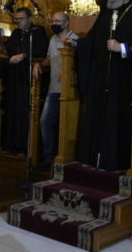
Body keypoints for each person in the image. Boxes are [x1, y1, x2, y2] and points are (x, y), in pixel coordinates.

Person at [65, 0, 132, 171]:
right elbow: (92, 40)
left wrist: (122, 48)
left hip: (123, 77)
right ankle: (93, 157)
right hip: (100, 77)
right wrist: (77, 44)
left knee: (116, 118)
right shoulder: (105, 13)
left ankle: (115, 161)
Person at [33, 12, 78, 168]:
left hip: (69, 91)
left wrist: (68, 69)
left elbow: (81, 62)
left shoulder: (74, 39)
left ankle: (66, 159)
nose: (54, 24)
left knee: (66, 126)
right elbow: (49, 60)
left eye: (57, 21)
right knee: (45, 121)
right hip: (53, 89)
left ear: (66, 22)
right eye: (52, 21)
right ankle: (49, 159)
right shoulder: (53, 39)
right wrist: (38, 64)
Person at [1, 7, 48, 155]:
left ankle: (24, 146)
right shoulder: (16, 33)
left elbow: (42, 50)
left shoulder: (38, 31)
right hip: (14, 77)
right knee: (12, 110)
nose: (18, 22)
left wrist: (24, 55)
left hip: (28, 77)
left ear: (29, 19)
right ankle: (11, 145)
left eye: (21, 19)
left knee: (24, 111)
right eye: (16, 19)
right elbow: (7, 50)